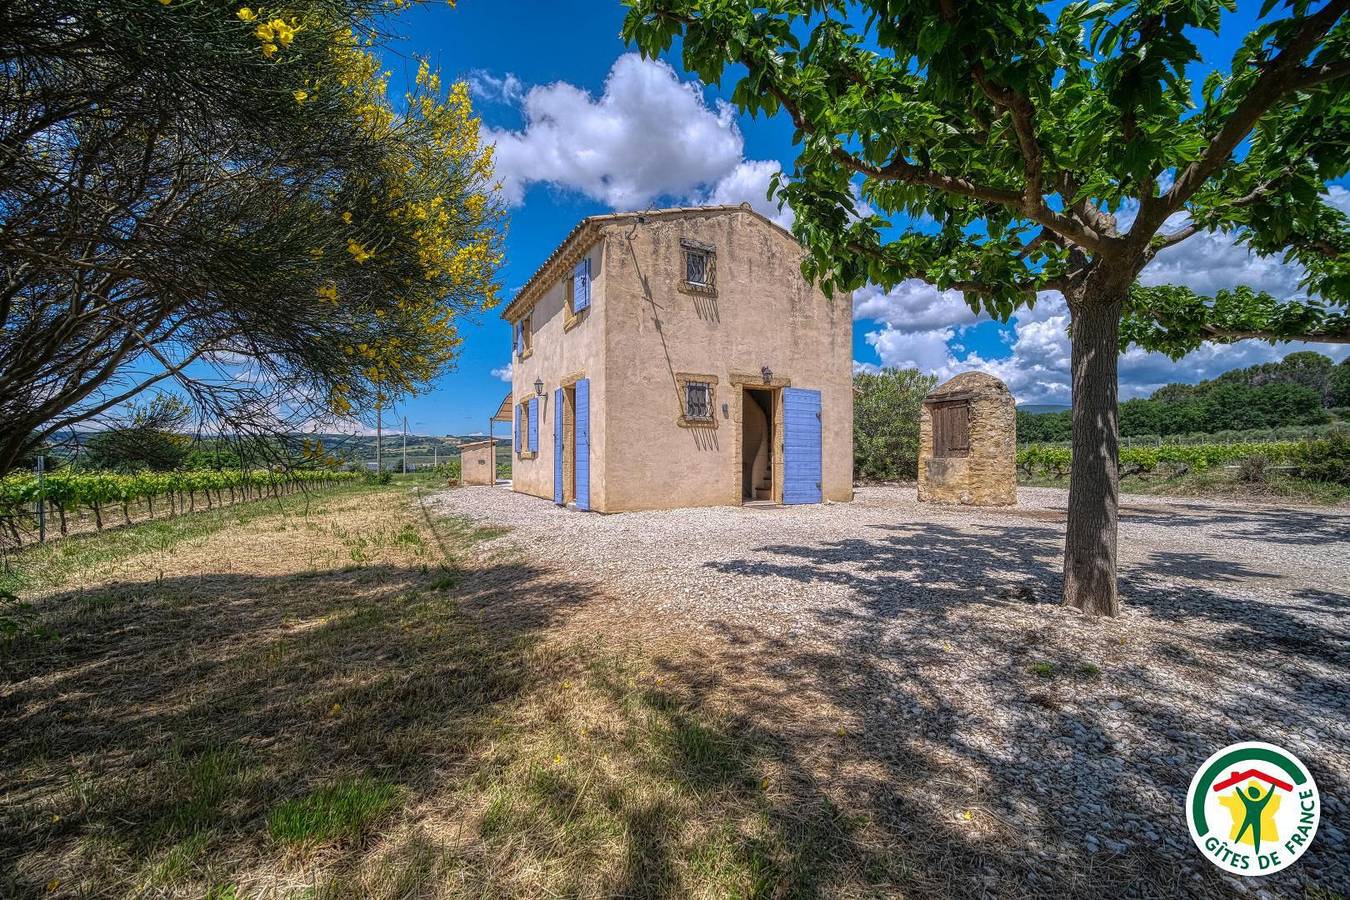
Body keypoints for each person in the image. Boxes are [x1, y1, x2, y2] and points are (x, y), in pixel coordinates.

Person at [1234, 782, 1277, 852]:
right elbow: (1269, 796)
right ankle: (1257, 850)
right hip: (1255, 820)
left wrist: (1237, 788)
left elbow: (1241, 795)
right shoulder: (1261, 803)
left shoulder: (1248, 802)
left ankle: (1236, 843)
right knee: (1256, 835)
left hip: (1250, 819)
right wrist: (1273, 786)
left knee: (1243, 832)